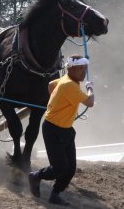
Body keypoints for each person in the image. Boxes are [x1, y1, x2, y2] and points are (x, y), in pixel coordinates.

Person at [28, 54, 94, 206]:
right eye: (80, 69)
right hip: (53, 129)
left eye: (85, 69)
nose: (84, 72)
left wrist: (57, 101)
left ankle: (55, 195)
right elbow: (90, 102)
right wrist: (90, 88)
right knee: (60, 168)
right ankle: (35, 176)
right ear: (71, 69)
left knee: (70, 169)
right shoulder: (69, 85)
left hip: (66, 130)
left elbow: (51, 84)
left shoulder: (67, 80)